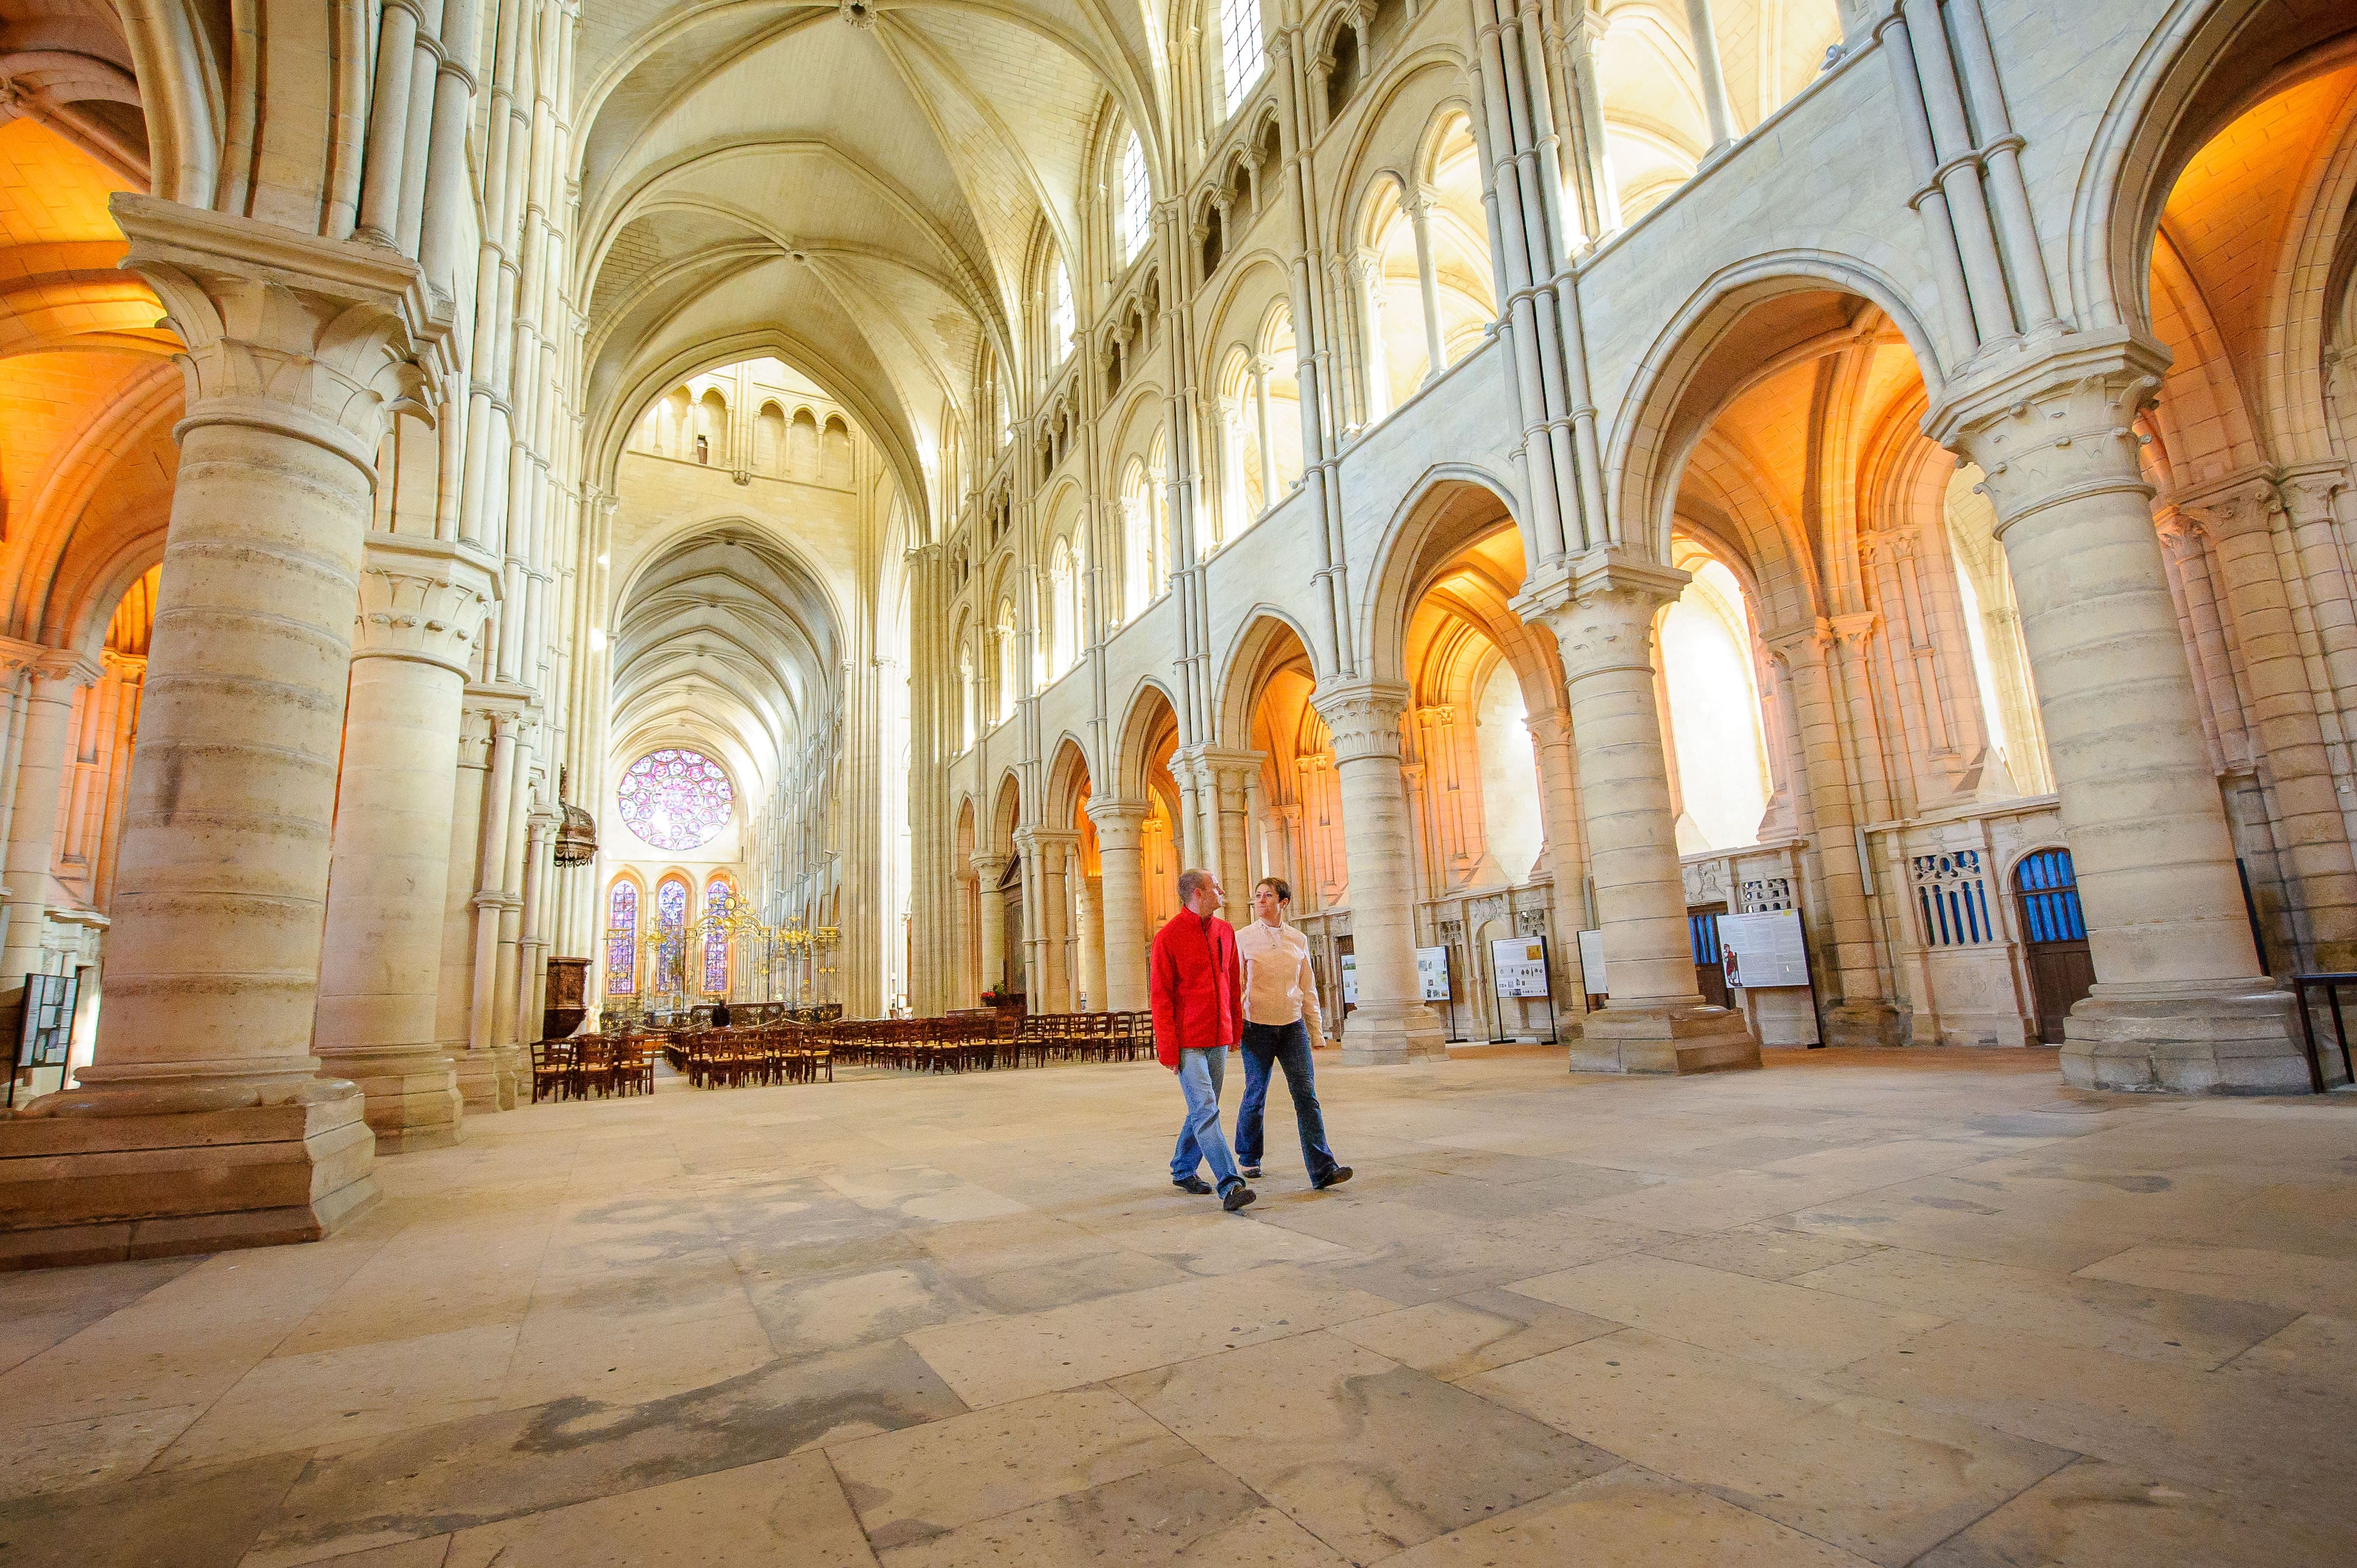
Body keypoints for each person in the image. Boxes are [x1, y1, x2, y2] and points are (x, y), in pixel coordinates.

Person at [1233, 878, 1352, 1191]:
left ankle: (1323, 1168)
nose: (1260, 901)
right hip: (1255, 1027)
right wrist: (1235, 1030)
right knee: (1255, 1093)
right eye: (1257, 895)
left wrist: (1317, 1031)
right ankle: (1248, 1154)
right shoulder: (1242, 938)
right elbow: (1236, 987)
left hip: (1292, 1026)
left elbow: (1307, 987)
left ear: (1283, 902)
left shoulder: (1298, 939)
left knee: (1306, 1096)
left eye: (1268, 896)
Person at [1149, 867, 1255, 1213]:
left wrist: (1235, 1029)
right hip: (1187, 1041)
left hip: (1219, 1035)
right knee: (1207, 1110)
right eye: (1215, 887)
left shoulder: (1225, 931)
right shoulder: (1167, 937)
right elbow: (1161, 997)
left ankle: (1183, 1168)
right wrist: (1167, 1050)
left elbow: (1232, 984)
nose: (1221, 891)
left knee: (1203, 1107)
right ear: (1197, 893)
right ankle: (1230, 1182)